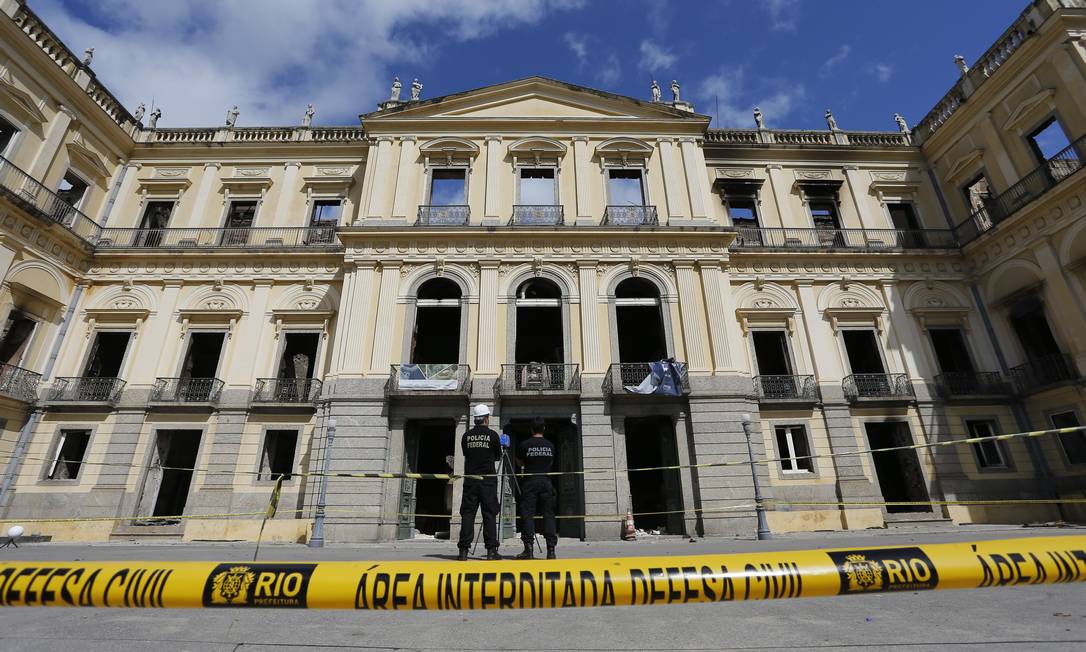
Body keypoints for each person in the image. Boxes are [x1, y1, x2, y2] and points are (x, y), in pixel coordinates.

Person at [457, 403, 502, 560]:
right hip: (488, 481)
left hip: (470, 480)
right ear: (486, 418)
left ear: (475, 419)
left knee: (468, 514)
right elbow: (498, 456)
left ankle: (463, 551)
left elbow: (466, 453)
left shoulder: (466, 436)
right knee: (489, 514)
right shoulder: (493, 436)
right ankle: (491, 551)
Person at [515, 417, 557, 559]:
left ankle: (529, 549)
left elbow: (520, 463)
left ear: (531, 429)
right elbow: (551, 463)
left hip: (530, 481)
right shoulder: (550, 445)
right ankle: (551, 550)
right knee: (548, 515)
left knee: (527, 515)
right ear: (543, 429)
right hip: (545, 480)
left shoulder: (524, 444)